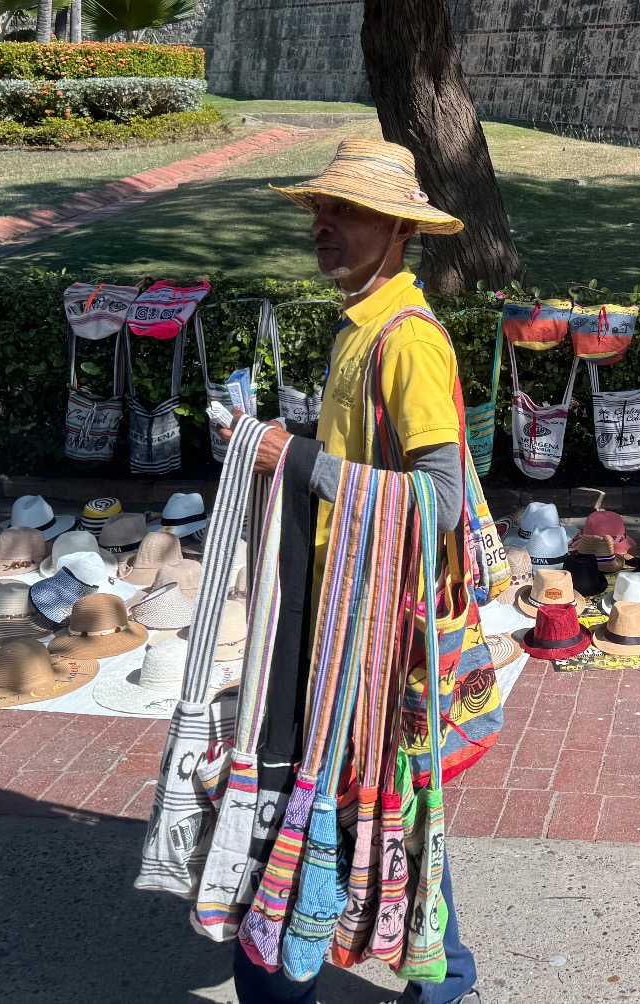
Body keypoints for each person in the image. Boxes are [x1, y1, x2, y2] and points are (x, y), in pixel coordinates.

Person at [214, 137, 480, 1004]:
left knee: (322, 801)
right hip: (343, 606)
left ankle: (301, 977)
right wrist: (284, 450)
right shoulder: (361, 324)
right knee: (385, 802)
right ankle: (442, 978)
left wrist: (292, 459)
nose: (324, 225)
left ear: (401, 230)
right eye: (322, 209)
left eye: (349, 211)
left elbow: (440, 501)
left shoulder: (406, 342)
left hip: (369, 627)